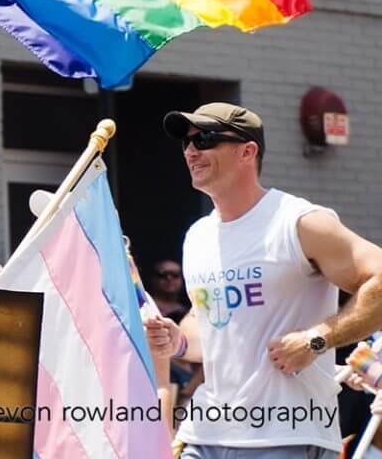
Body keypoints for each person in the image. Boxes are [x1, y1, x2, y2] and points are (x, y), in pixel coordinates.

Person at [144, 103, 382, 458]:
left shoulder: (298, 222)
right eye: (186, 143)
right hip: (206, 434)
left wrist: (317, 339)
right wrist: (176, 342)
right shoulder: (198, 235)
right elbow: (208, 325)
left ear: (247, 151)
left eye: (205, 139)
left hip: (286, 436)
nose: (192, 150)